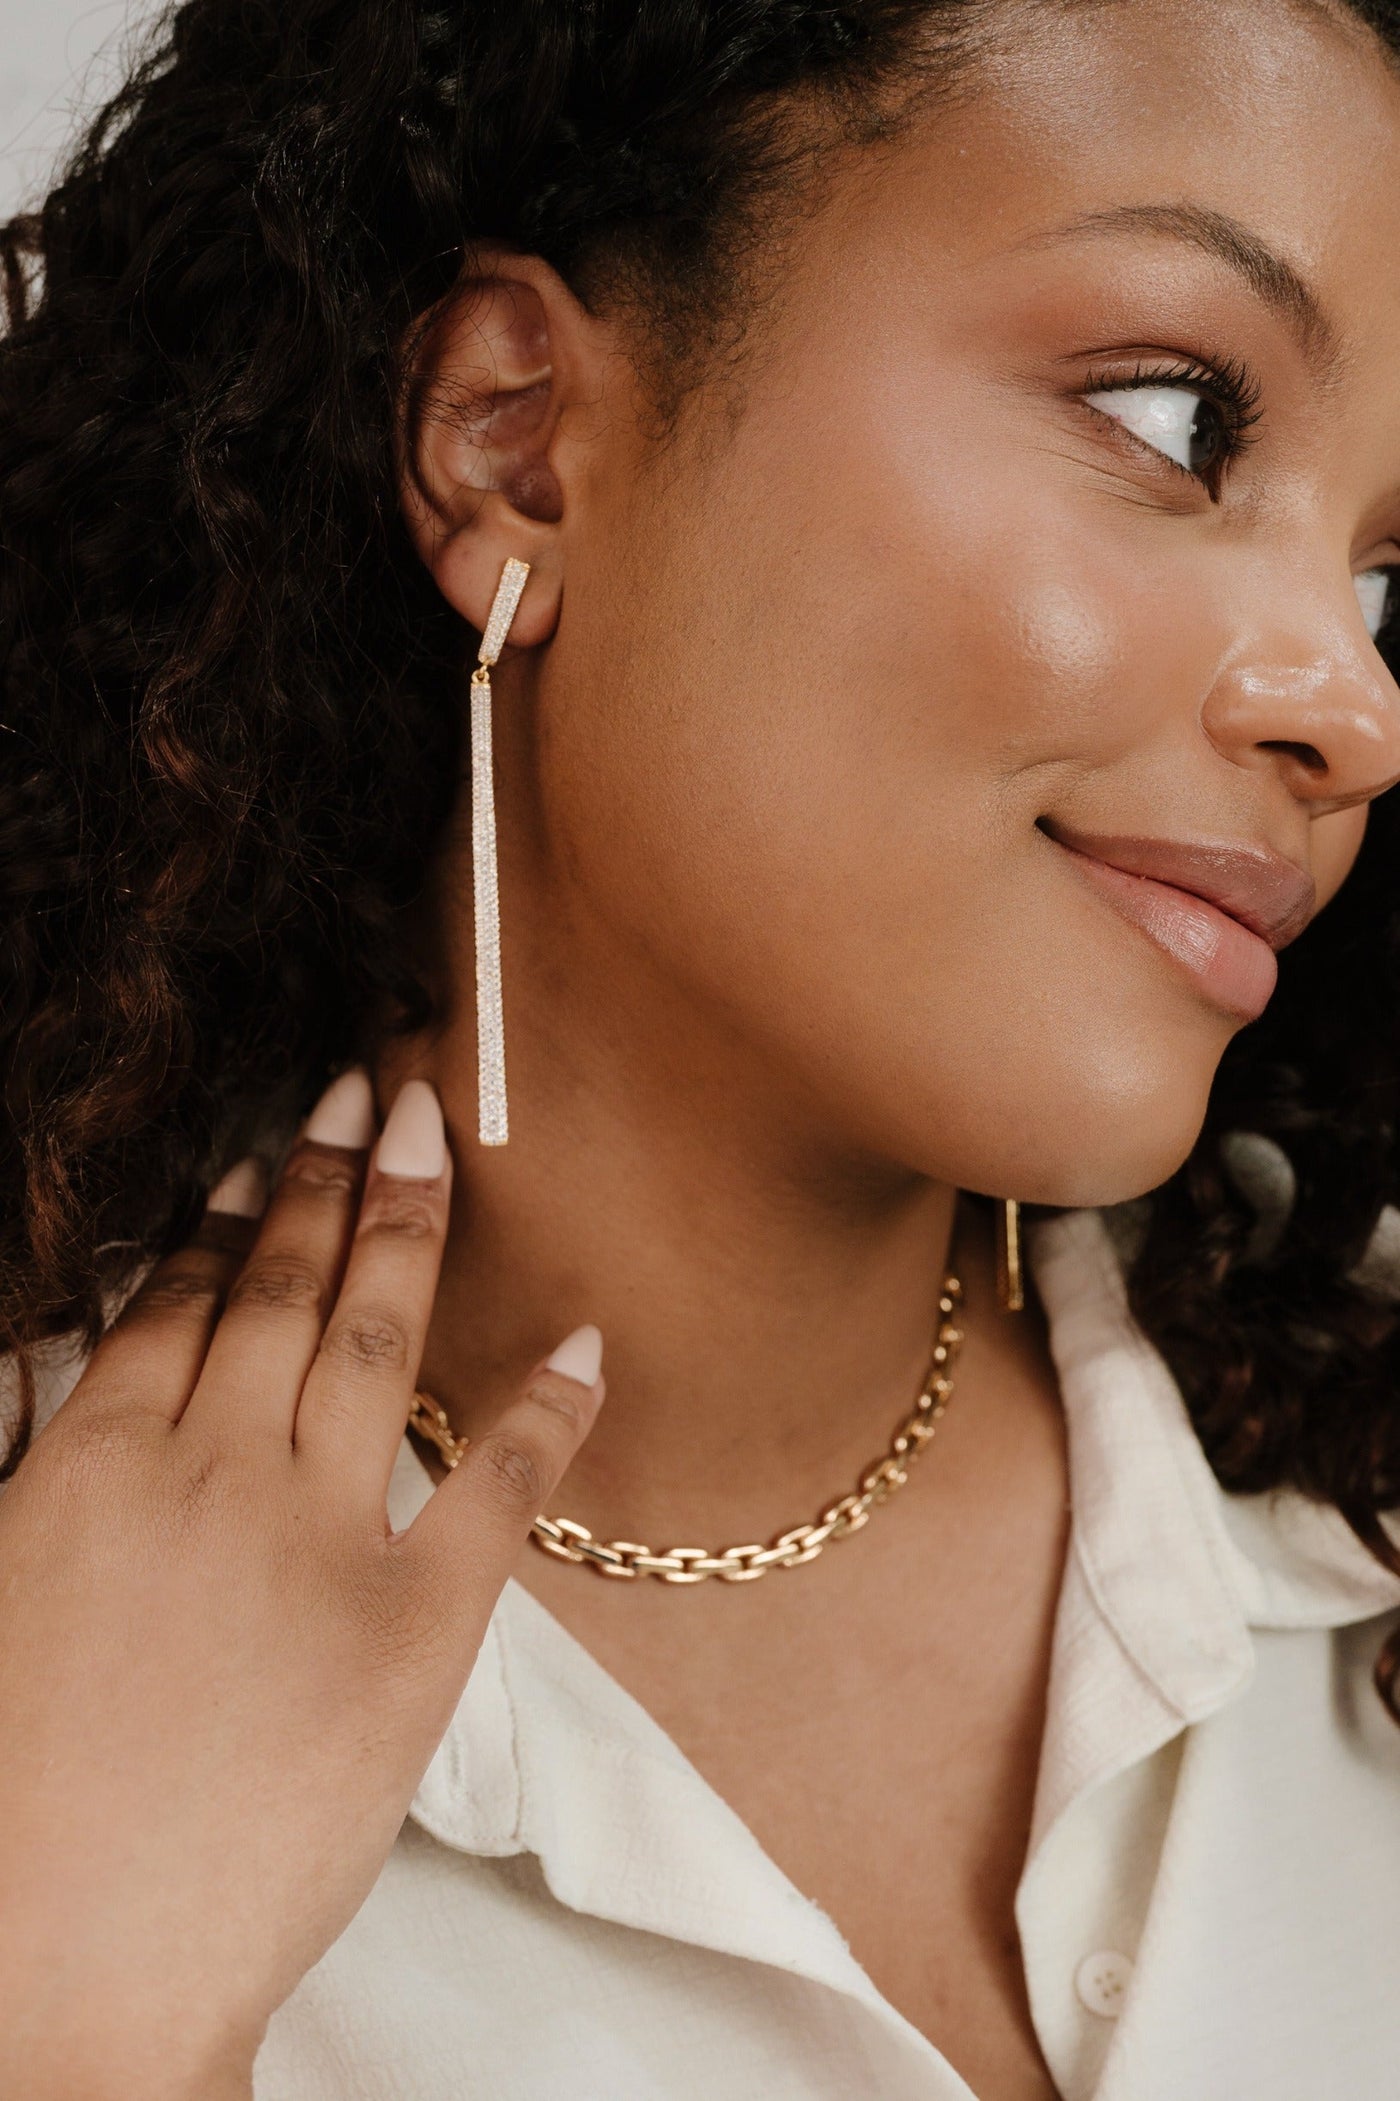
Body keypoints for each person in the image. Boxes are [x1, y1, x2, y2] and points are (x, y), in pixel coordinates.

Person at [4, 0, 1400, 2094]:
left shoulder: (1354, 1483)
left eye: (1393, 573)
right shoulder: (49, 1660)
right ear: (517, 438)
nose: (1352, 711)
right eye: (1175, 419)